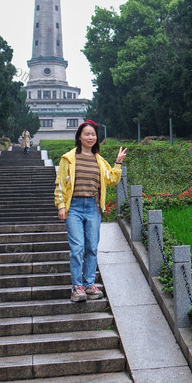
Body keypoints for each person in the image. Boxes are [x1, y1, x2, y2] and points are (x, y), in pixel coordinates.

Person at [54, 120, 126, 302]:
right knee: (77, 248)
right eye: (87, 134)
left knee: (92, 247)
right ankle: (77, 287)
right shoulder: (68, 159)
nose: (90, 137)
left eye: (93, 134)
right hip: (74, 208)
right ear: (79, 136)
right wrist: (61, 205)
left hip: (93, 208)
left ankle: (89, 284)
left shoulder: (99, 161)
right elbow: (61, 183)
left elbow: (111, 179)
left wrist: (117, 163)